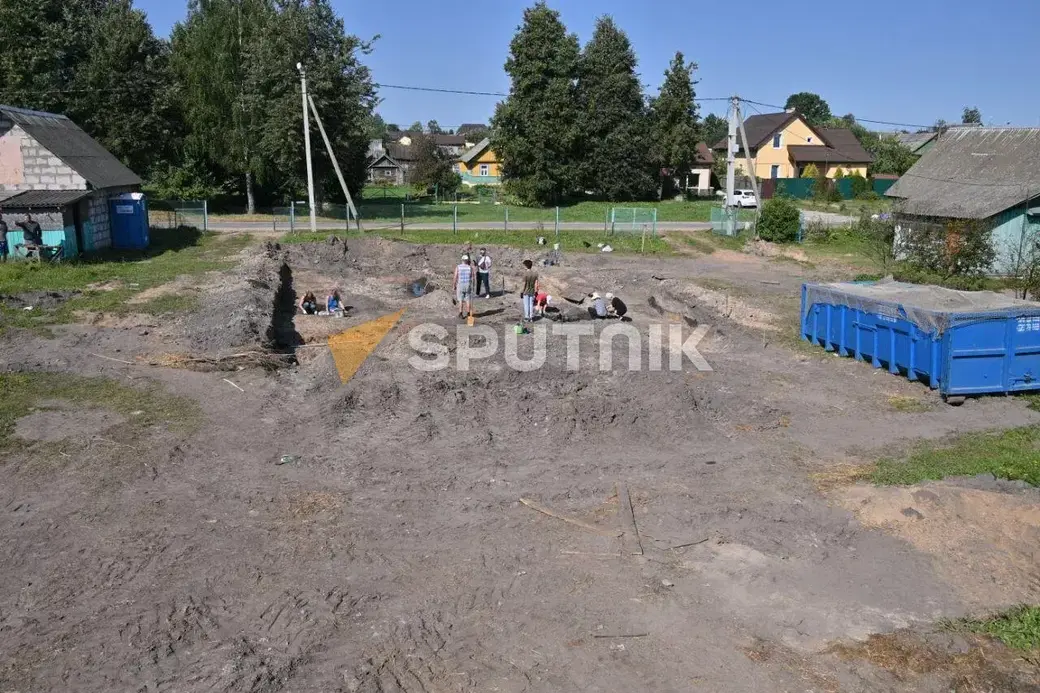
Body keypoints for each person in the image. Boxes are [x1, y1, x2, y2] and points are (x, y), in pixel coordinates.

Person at [453, 254, 474, 319]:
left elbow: (455, 277)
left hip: (460, 284)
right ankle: (468, 313)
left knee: (460, 299)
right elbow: (472, 277)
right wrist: (473, 285)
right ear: (467, 260)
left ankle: (460, 313)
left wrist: (454, 285)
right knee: (468, 299)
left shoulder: (458, 267)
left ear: (462, 260)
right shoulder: (470, 267)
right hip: (467, 284)